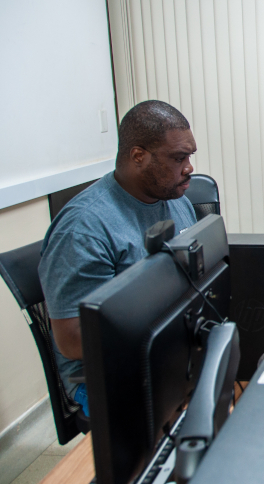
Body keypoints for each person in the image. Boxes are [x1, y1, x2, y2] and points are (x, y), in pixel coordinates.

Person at [39, 100, 199, 416]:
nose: (189, 167)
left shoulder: (177, 202)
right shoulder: (83, 227)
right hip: (108, 378)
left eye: (189, 156)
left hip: (172, 352)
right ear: (138, 156)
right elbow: (72, 339)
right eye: (178, 158)